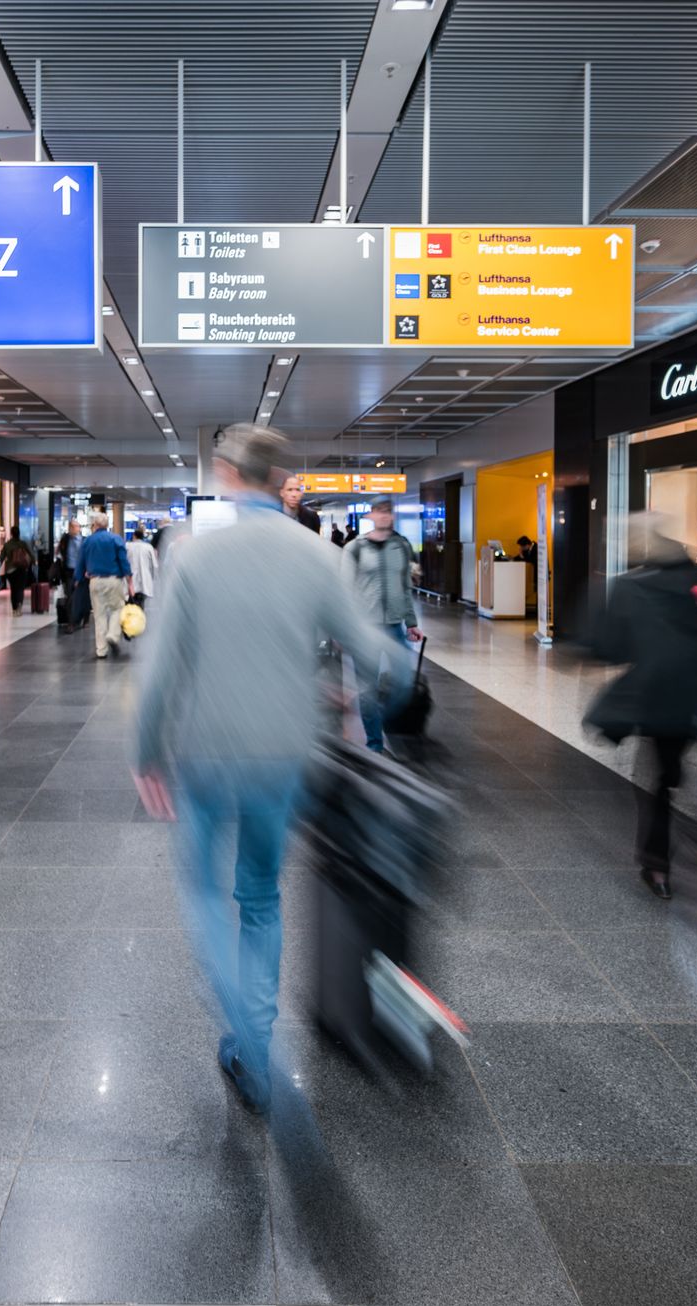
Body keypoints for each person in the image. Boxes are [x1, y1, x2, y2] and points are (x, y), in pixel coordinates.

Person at [133, 423, 398, 1112]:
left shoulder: (194, 556)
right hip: (283, 754)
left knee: (200, 893)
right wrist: (369, 686)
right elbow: (375, 655)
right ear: (281, 481)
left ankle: (250, 1041)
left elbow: (159, 670)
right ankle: (255, 1033)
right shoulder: (318, 556)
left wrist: (145, 751)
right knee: (260, 896)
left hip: (204, 752)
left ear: (226, 473)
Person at [587, 513, 697, 900]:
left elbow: (609, 648)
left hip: (652, 693)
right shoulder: (686, 579)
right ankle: (684, 830)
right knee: (668, 771)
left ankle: (657, 864)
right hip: (694, 690)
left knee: (652, 782)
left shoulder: (629, 588)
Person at [342, 499, 423, 754]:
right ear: (370, 515)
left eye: (389, 512)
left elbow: (406, 587)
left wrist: (411, 622)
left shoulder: (401, 546)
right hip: (365, 629)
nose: (386, 516)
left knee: (403, 683)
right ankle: (374, 744)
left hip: (394, 626)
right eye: (381, 512)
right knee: (367, 687)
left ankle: (382, 718)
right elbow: (343, 591)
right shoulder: (355, 548)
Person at [77, 512, 133, 659]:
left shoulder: (88, 541)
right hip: (114, 580)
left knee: (99, 615)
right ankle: (113, 636)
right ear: (107, 525)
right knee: (117, 609)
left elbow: (80, 562)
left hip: (95, 581)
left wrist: (77, 578)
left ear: (95, 525)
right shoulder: (115, 539)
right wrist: (129, 578)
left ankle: (101, 650)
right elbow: (123, 561)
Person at [0, 528, 37, 614]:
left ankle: (14, 609)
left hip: (10, 570)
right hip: (21, 569)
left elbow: (1, 557)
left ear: (11, 533)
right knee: (20, 588)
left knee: (13, 589)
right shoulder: (22, 544)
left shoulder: (7, 545)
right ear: (19, 533)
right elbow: (30, 553)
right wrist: (34, 561)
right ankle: (19, 605)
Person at [128, 525, 159, 610]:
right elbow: (154, 565)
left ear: (134, 536)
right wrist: (154, 579)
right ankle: (140, 618)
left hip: (131, 581)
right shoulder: (148, 547)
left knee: (131, 604)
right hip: (145, 580)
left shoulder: (128, 546)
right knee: (141, 604)